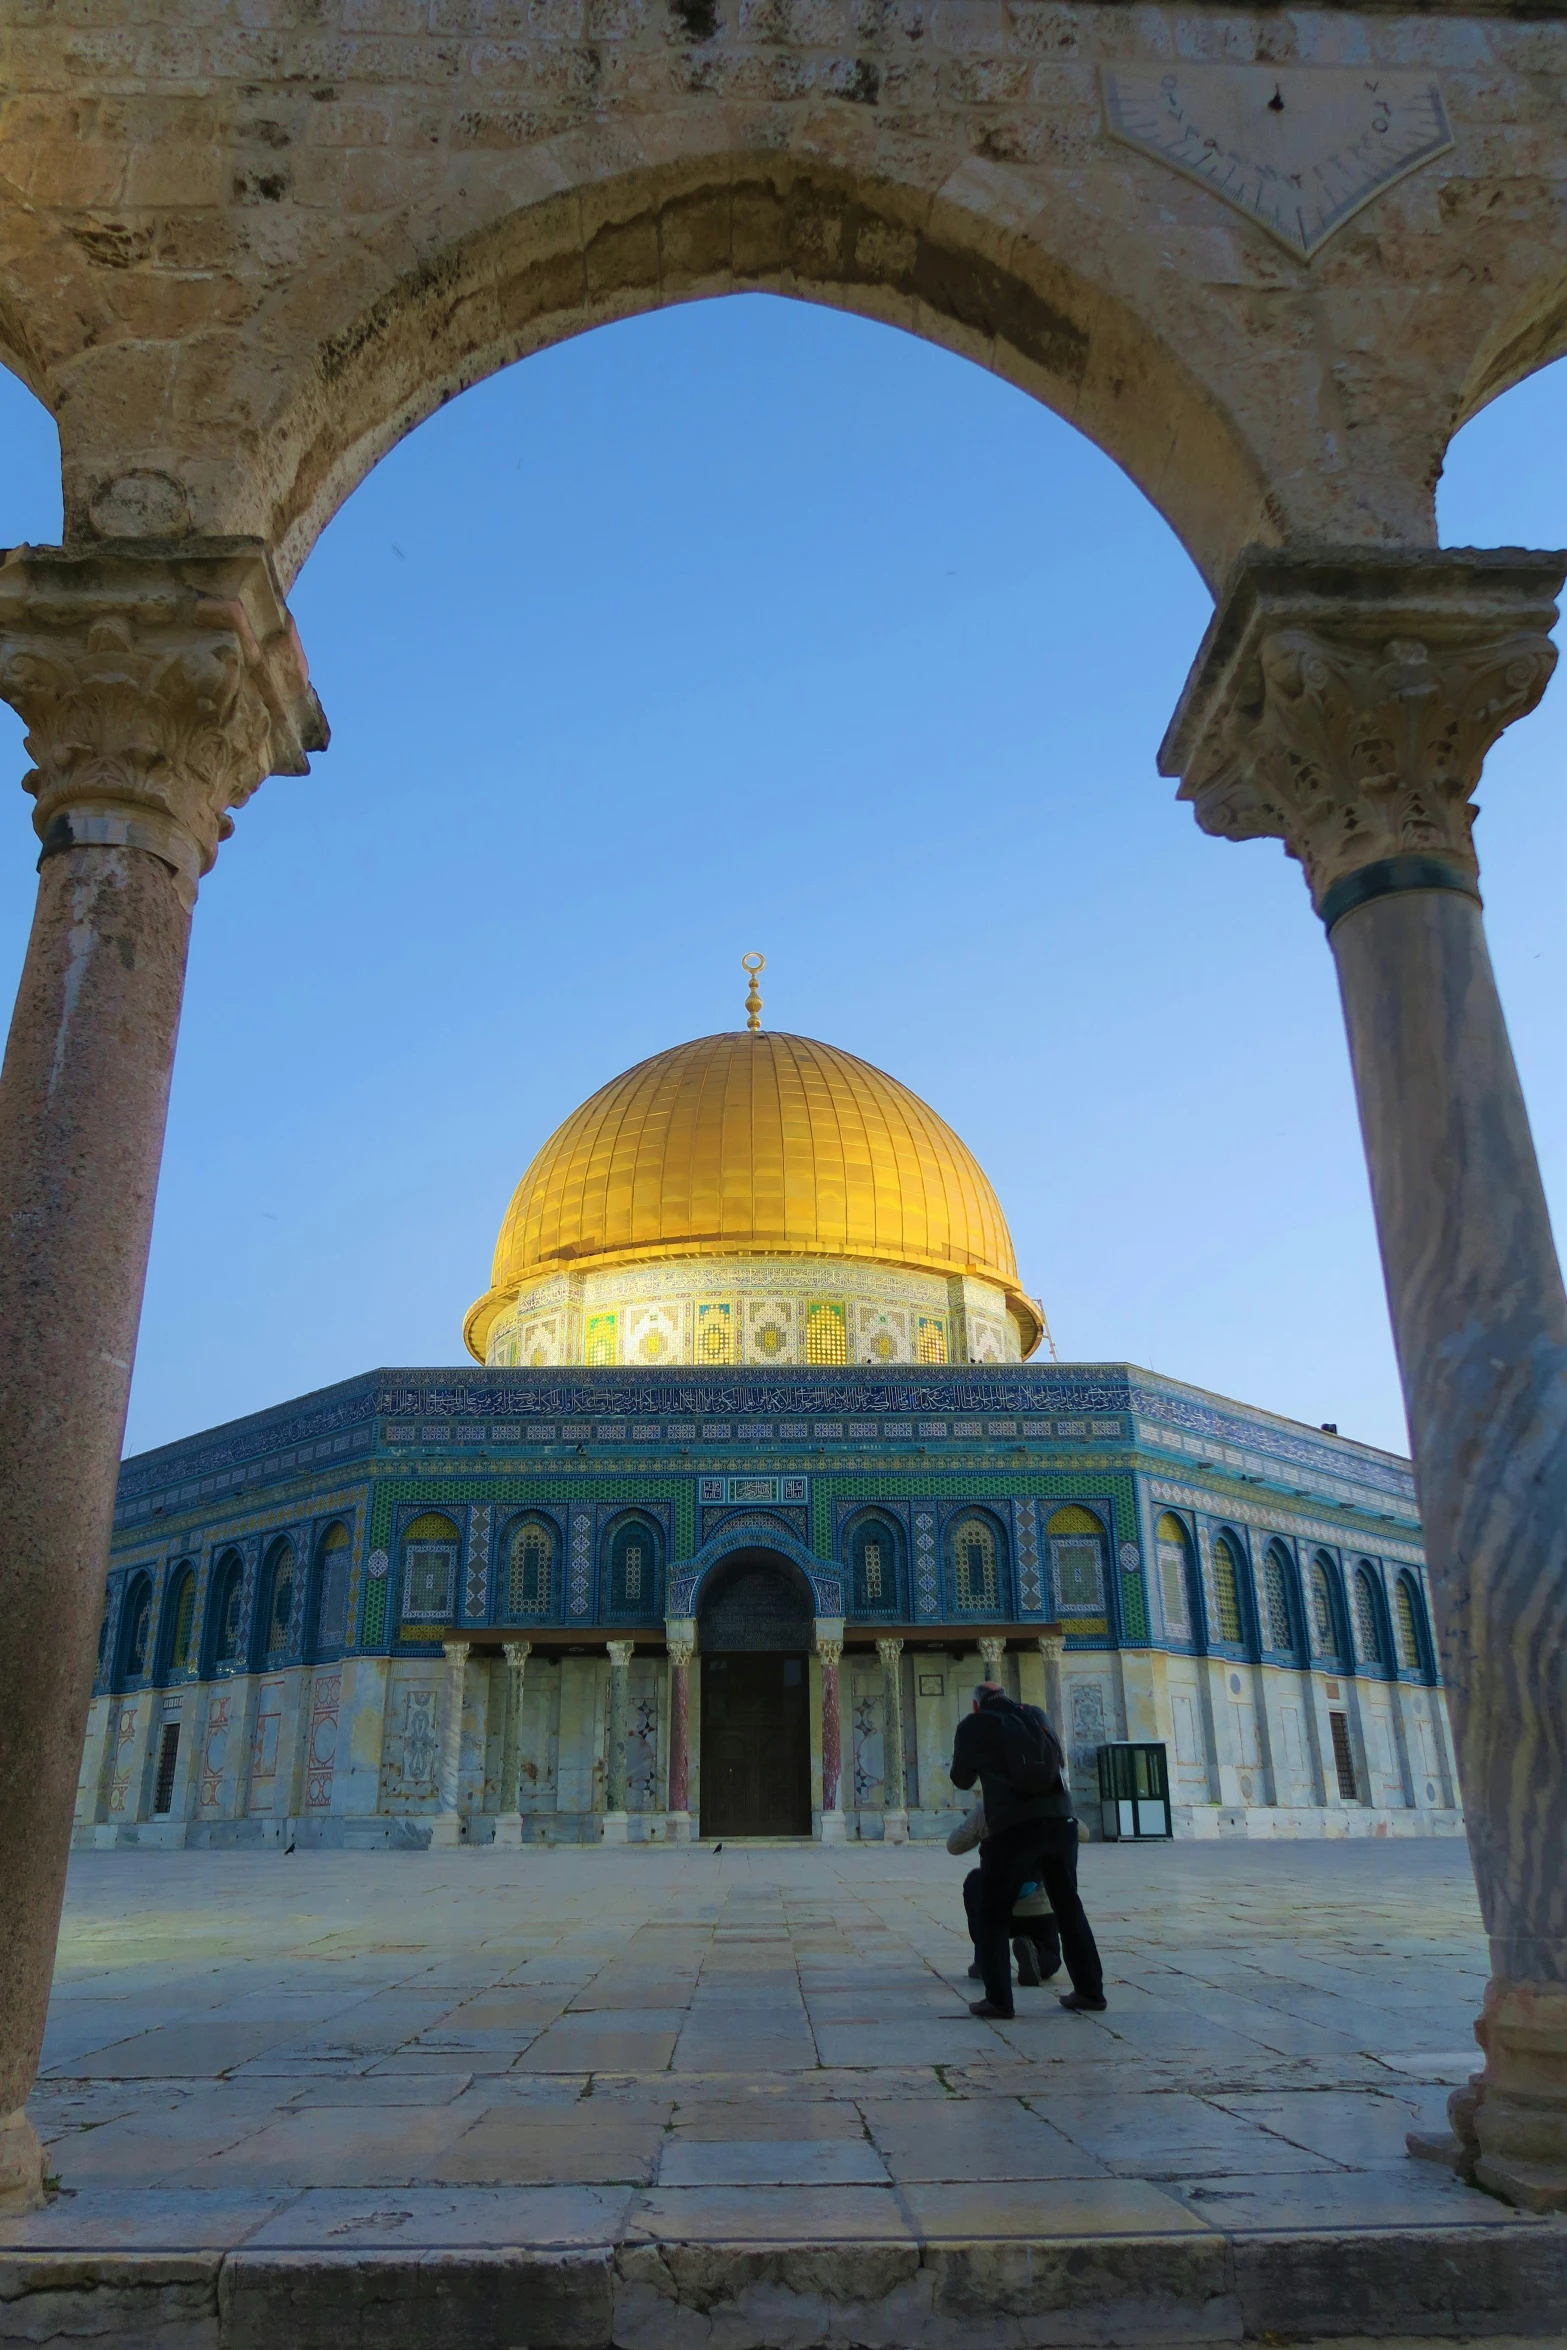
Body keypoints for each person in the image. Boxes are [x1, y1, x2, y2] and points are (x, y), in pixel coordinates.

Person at [949, 1679, 1107, 2020]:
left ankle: (999, 2001)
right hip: (1061, 1822)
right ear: (1006, 1696)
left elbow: (961, 1779)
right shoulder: (1036, 1715)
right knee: (1069, 1907)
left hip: (1013, 1826)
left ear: (976, 1704)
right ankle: (1091, 1991)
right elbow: (1059, 1762)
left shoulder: (974, 1724)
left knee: (993, 1913)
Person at [947, 1794, 1061, 1986]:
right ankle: (1040, 1960)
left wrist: (982, 1826)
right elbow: (1082, 1832)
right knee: (1051, 1955)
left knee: (975, 1881)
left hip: (999, 1907)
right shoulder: (1049, 1800)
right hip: (1039, 1907)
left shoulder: (989, 1804)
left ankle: (985, 1960)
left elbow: (954, 1845)